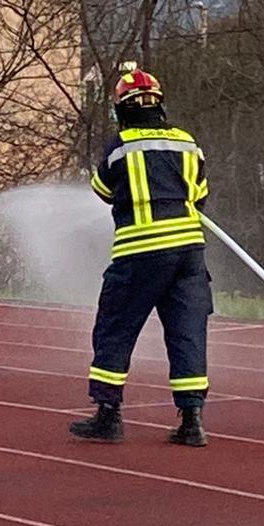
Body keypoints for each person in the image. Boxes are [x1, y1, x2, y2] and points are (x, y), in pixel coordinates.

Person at [69, 67, 212, 448]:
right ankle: (192, 421)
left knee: (115, 328)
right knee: (187, 334)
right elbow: (199, 193)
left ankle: (108, 415)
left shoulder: (120, 146)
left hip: (140, 254)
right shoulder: (187, 142)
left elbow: (102, 189)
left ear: (122, 109)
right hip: (189, 255)